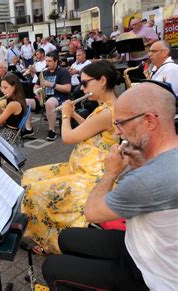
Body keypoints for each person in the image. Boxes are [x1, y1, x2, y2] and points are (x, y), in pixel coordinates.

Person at [42, 82, 178, 290]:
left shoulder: (145, 181)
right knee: (68, 237)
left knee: (51, 266)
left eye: (121, 123)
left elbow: (92, 212)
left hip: (151, 274)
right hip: (144, 244)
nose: (116, 132)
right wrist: (141, 165)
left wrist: (111, 173)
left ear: (149, 121)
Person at [21, 61, 120, 254]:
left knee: (36, 191)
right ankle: (43, 231)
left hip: (93, 177)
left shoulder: (108, 111)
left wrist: (65, 116)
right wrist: (74, 115)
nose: (82, 88)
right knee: (31, 176)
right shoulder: (105, 107)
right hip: (81, 168)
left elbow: (67, 137)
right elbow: (91, 129)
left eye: (85, 83)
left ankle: (52, 243)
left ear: (102, 81)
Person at [32, 52, 72, 141]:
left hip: (59, 97)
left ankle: (52, 131)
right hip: (43, 97)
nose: (47, 63)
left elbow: (68, 88)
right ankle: (28, 129)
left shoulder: (63, 72)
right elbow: (36, 86)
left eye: (49, 61)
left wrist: (52, 85)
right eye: (46, 61)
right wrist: (37, 93)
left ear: (56, 61)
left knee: (50, 103)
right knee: (26, 102)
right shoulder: (44, 72)